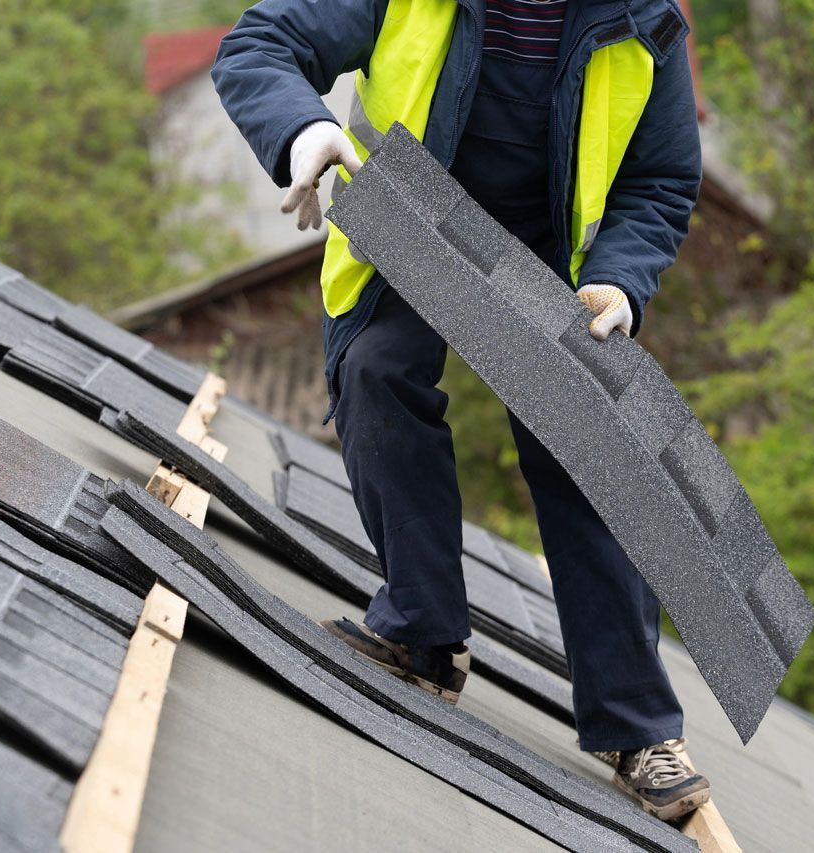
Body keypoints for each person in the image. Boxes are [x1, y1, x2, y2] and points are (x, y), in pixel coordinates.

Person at [213, 0, 708, 821]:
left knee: (591, 442)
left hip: (554, 260)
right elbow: (262, 42)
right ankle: (422, 635)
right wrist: (300, 130)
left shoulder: (645, 18)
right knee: (377, 371)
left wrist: (622, 277)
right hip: (415, 226)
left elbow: (659, 181)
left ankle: (637, 727)